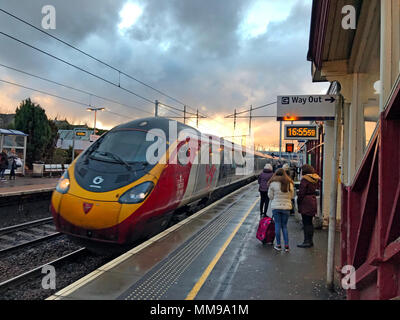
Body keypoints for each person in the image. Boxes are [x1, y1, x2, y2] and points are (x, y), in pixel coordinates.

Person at [268, 168, 295, 252]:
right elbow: (292, 196)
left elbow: (270, 196)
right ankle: (287, 246)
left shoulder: (272, 183)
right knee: (284, 226)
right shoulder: (289, 183)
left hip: (276, 207)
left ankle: (278, 245)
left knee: (277, 225)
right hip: (286, 208)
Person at [297, 164, 321, 248]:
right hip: (312, 200)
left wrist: (298, 201)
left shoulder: (305, 180)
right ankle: (310, 241)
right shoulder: (314, 178)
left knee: (306, 223)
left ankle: (306, 241)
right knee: (310, 222)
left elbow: (301, 193)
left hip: (306, 202)